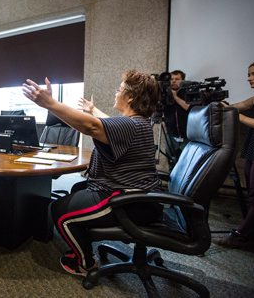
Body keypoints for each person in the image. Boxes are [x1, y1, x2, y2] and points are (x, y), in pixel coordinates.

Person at [22, 70, 162, 276]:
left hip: (128, 200)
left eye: (120, 89)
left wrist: (49, 104)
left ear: (130, 97)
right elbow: (106, 124)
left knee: (60, 211)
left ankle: (85, 264)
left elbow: (91, 127)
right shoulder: (140, 124)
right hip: (141, 195)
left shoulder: (130, 125)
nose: (116, 93)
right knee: (79, 187)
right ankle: (84, 237)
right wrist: (93, 109)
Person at [214, 60, 254, 251]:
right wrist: (223, 106)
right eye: (249, 74)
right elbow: (237, 105)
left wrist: (237, 116)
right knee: (253, 195)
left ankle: (241, 236)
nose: (249, 78)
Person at [163, 70, 190, 165]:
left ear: (183, 81)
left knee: (187, 164)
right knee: (171, 163)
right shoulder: (165, 95)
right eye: (171, 79)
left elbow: (189, 108)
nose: (173, 81)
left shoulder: (188, 93)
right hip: (171, 136)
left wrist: (175, 97)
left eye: (177, 79)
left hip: (187, 137)